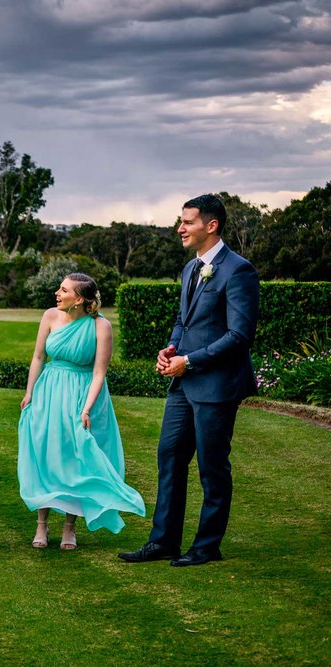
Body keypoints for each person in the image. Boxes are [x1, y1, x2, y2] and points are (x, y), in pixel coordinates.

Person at [121, 194, 259, 567]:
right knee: (169, 458)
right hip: (183, 385)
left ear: (211, 226)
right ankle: (163, 541)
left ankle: (207, 545)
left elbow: (239, 336)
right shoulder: (189, 269)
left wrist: (189, 361)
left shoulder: (238, 270)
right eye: (180, 221)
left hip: (216, 386)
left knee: (212, 467)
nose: (180, 228)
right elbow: (184, 320)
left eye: (188, 222)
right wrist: (170, 348)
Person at [17, 273, 145, 550]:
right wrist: (30, 392)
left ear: (79, 300)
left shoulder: (101, 327)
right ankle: (41, 524)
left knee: (75, 459)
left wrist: (86, 408)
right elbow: (38, 357)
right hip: (49, 390)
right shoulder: (50, 316)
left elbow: (99, 372)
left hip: (81, 394)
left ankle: (69, 527)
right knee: (46, 455)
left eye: (63, 290)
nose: (57, 293)